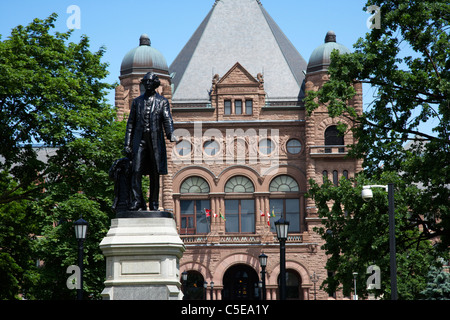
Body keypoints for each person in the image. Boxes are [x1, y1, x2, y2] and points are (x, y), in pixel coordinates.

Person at [124, 72, 176, 211]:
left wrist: (170, 133)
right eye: (145, 82)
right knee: (135, 170)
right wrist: (127, 144)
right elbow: (130, 124)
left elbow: (167, 119)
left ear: (155, 84)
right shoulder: (137, 102)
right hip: (139, 141)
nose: (147, 84)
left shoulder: (162, 101)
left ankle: (154, 203)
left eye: (150, 82)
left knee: (155, 173)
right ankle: (137, 201)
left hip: (155, 141)